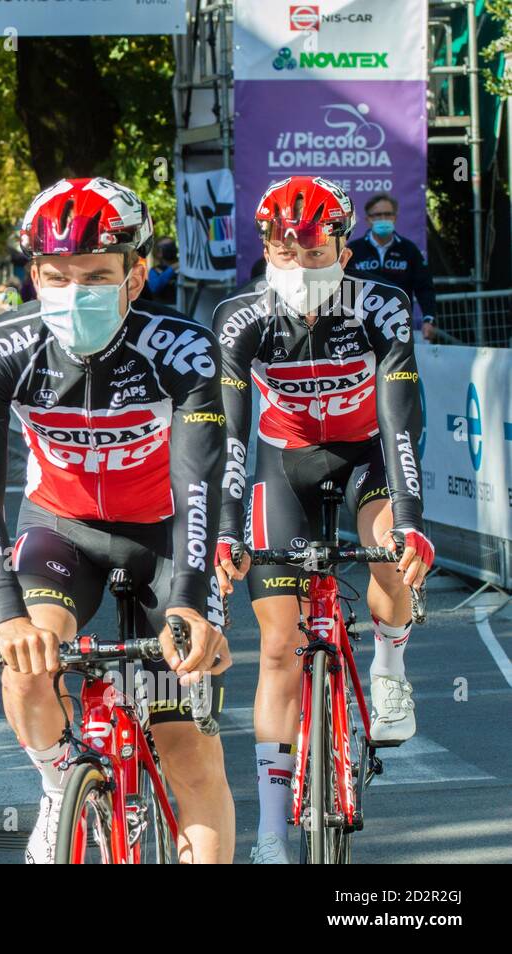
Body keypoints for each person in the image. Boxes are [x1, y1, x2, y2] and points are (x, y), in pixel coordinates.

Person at [0, 177, 234, 864]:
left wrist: (195, 607)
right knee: (24, 667)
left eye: (97, 276)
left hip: (166, 539)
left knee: (185, 750)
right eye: (57, 276)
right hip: (62, 529)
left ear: (136, 275)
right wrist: (6, 615)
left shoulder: (184, 350)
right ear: (33, 274)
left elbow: (201, 483)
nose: (75, 292)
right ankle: (61, 784)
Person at [212, 176, 435, 864]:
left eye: (314, 251)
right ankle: (273, 832)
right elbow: (228, 435)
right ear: (267, 250)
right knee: (278, 647)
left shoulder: (382, 305)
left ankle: (390, 662)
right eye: (287, 251)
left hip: (369, 456)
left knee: (388, 546)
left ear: (343, 245)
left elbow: (402, 417)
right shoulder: (240, 317)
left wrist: (412, 520)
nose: (301, 264)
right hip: (286, 465)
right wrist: (223, 528)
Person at [345, 192, 439, 341]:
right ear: (368, 219)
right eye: (377, 215)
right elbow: (343, 287)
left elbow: (424, 288)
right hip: (361, 328)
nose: (383, 219)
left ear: (395, 217)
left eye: (388, 214)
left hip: (399, 327)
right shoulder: (354, 250)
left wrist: (429, 319)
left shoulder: (409, 250)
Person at [145, 237, 179, 305]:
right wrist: (171, 269)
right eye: (167, 247)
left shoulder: (183, 266)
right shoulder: (154, 271)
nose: (171, 249)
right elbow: (154, 287)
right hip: (165, 309)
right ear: (158, 253)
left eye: (172, 245)